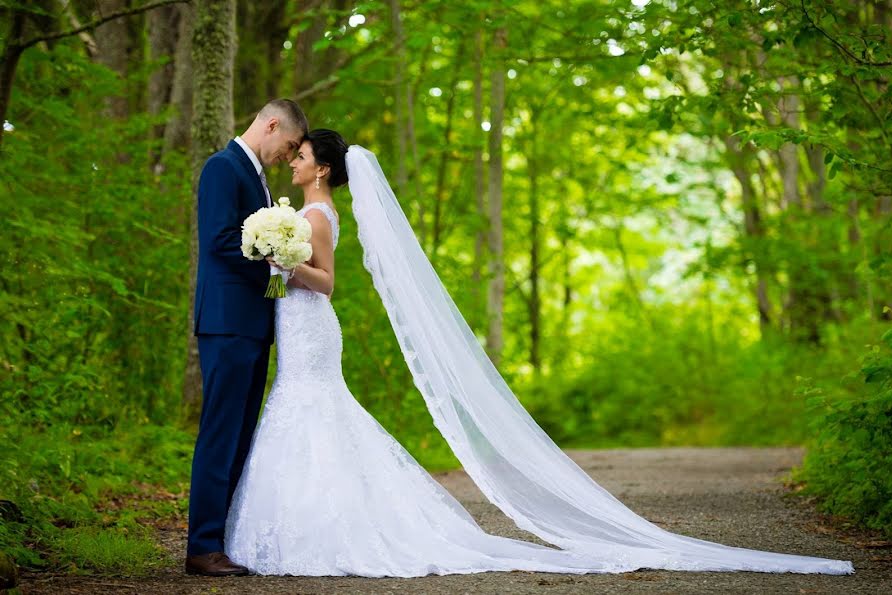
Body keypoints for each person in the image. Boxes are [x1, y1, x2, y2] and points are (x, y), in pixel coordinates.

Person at [222, 129, 854, 577]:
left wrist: (280, 257)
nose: (294, 162)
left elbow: (327, 281)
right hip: (300, 325)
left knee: (313, 414)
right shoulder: (306, 209)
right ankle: (320, 522)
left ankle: (330, 531)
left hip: (312, 321)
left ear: (322, 169)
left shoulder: (317, 215)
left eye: (301, 156)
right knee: (310, 415)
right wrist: (281, 266)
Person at [186, 99, 307, 577]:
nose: (289, 155)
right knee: (220, 435)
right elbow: (218, 242)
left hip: (251, 324)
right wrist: (274, 261)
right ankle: (201, 547)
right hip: (227, 321)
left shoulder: (255, 176)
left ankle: (224, 539)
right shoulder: (223, 167)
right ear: (272, 124)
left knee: (239, 436)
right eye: (290, 145)